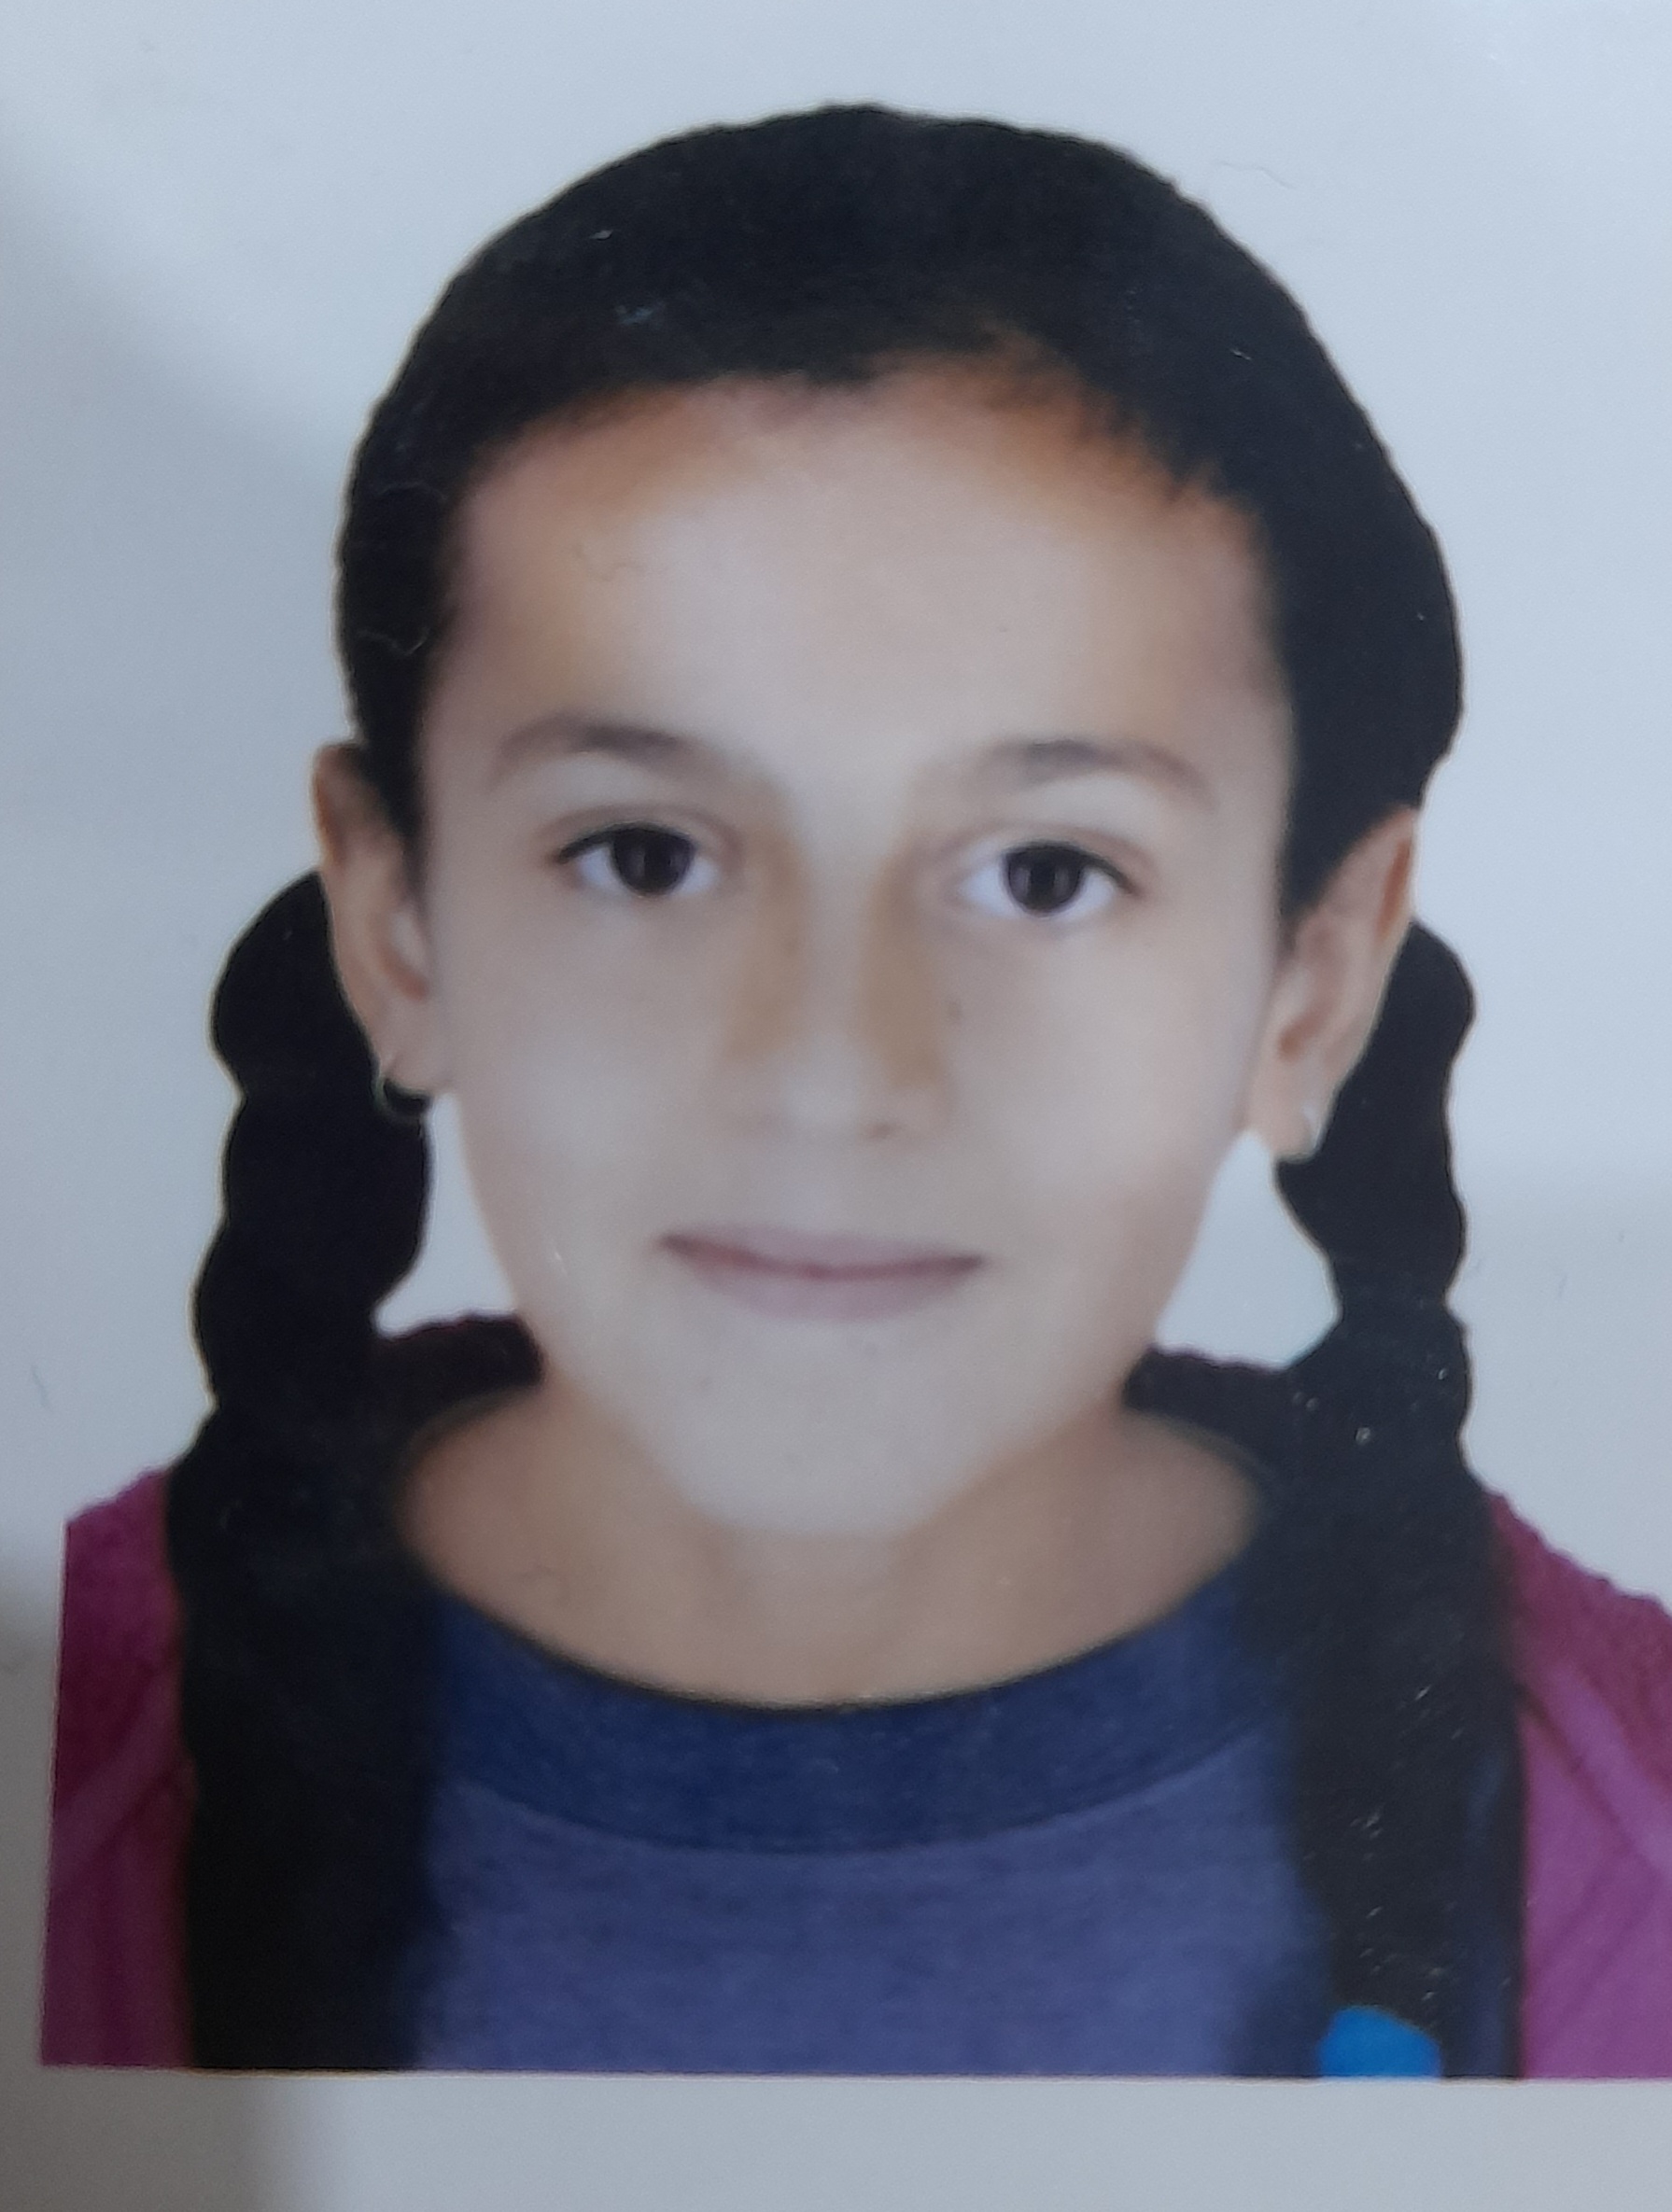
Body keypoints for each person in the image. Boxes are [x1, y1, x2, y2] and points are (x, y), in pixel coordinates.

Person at [40, 105, 1672, 2077]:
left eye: (1045, 874)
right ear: (396, 927)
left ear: (1311, 983)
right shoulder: (64, 1756)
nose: (831, 1074)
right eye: (645, 854)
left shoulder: (1622, 1852)